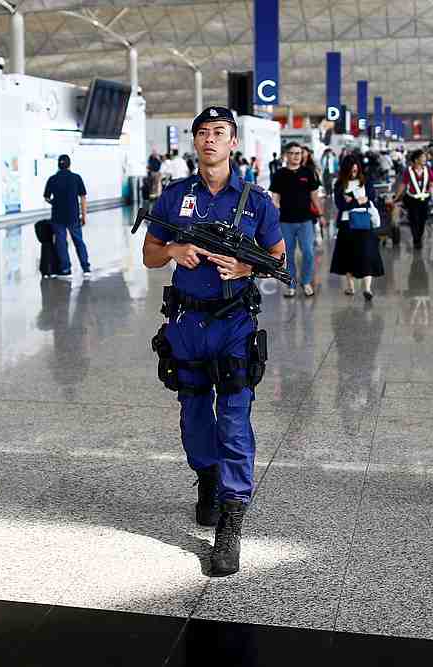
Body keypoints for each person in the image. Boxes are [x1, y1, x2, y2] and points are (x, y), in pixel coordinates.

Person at [142, 106, 284, 577]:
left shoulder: (256, 200)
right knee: (195, 414)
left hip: (234, 323)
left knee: (236, 418)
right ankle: (206, 478)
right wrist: (173, 251)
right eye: (202, 133)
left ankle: (231, 516)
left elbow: (278, 259)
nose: (209, 141)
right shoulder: (175, 196)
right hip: (186, 323)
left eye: (218, 133)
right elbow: (148, 255)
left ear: (234, 143)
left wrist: (247, 267)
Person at [269, 142, 325, 297]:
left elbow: (314, 196)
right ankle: (291, 284)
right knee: (288, 254)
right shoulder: (279, 174)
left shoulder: (308, 173)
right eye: (292, 153)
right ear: (286, 155)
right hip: (285, 221)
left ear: (302, 155)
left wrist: (321, 215)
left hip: (306, 220)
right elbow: (275, 198)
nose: (295, 156)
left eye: (298, 153)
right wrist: (273, 215)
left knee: (308, 253)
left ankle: (306, 281)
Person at [330, 158, 384, 300]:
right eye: (351, 170)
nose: (354, 173)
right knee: (348, 256)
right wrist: (359, 200)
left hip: (365, 223)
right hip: (346, 224)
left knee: (367, 254)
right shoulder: (340, 184)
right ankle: (350, 286)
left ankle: (367, 288)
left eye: (356, 170)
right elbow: (341, 205)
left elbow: (371, 197)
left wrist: (352, 200)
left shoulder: (366, 181)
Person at [43, 154, 90, 279]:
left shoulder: (52, 179)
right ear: (69, 165)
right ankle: (86, 268)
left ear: (58, 165)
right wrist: (84, 215)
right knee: (78, 241)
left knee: (61, 243)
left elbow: (46, 197)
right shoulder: (76, 178)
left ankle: (66, 269)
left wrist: (54, 202)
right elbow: (83, 198)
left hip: (57, 217)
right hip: (73, 215)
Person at [394, 150, 433, 250]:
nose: (425, 159)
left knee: (422, 220)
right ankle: (416, 240)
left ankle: (419, 237)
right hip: (412, 199)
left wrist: (432, 185)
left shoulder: (427, 169)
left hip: (424, 199)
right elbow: (403, 184)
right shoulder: (408, 171)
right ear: (416, 160)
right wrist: (397, 196)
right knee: (414, 220)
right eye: (423, 157)